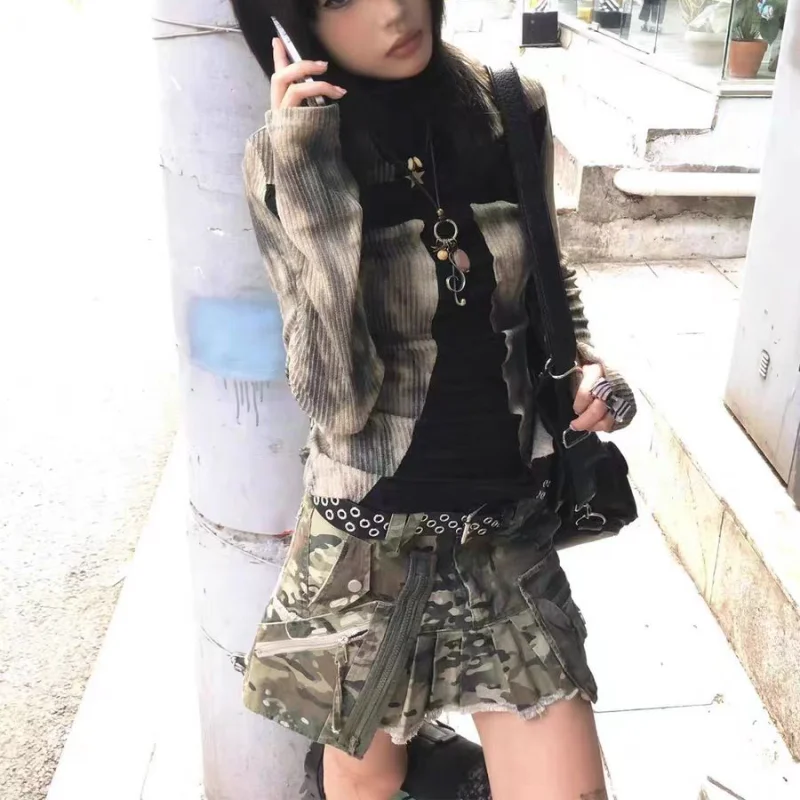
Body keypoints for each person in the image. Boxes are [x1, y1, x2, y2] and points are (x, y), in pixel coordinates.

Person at [230, 1, 636, 798]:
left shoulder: (509, 106)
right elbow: (336, 401)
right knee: (366, 783)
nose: (392, 9)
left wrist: (590, 372)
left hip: (504, 529)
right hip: (365, 547)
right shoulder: (287, 158)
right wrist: (310, 176)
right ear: (289, 24)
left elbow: (549, 280)